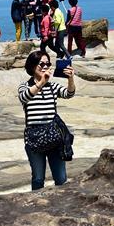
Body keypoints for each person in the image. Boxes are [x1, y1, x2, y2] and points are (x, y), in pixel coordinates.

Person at [18, 50, 76, 190]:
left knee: (61, 179)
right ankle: (36, 202)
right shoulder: (24, 86)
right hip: (33, 139)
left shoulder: (53, 87)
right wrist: (41, 82)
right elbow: (24, 97)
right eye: (41, 64)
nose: (45, 67)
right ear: (32, 66)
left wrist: (70, 79)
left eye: (48, 64)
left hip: (53, 137)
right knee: (38, 179)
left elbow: (69, 93)